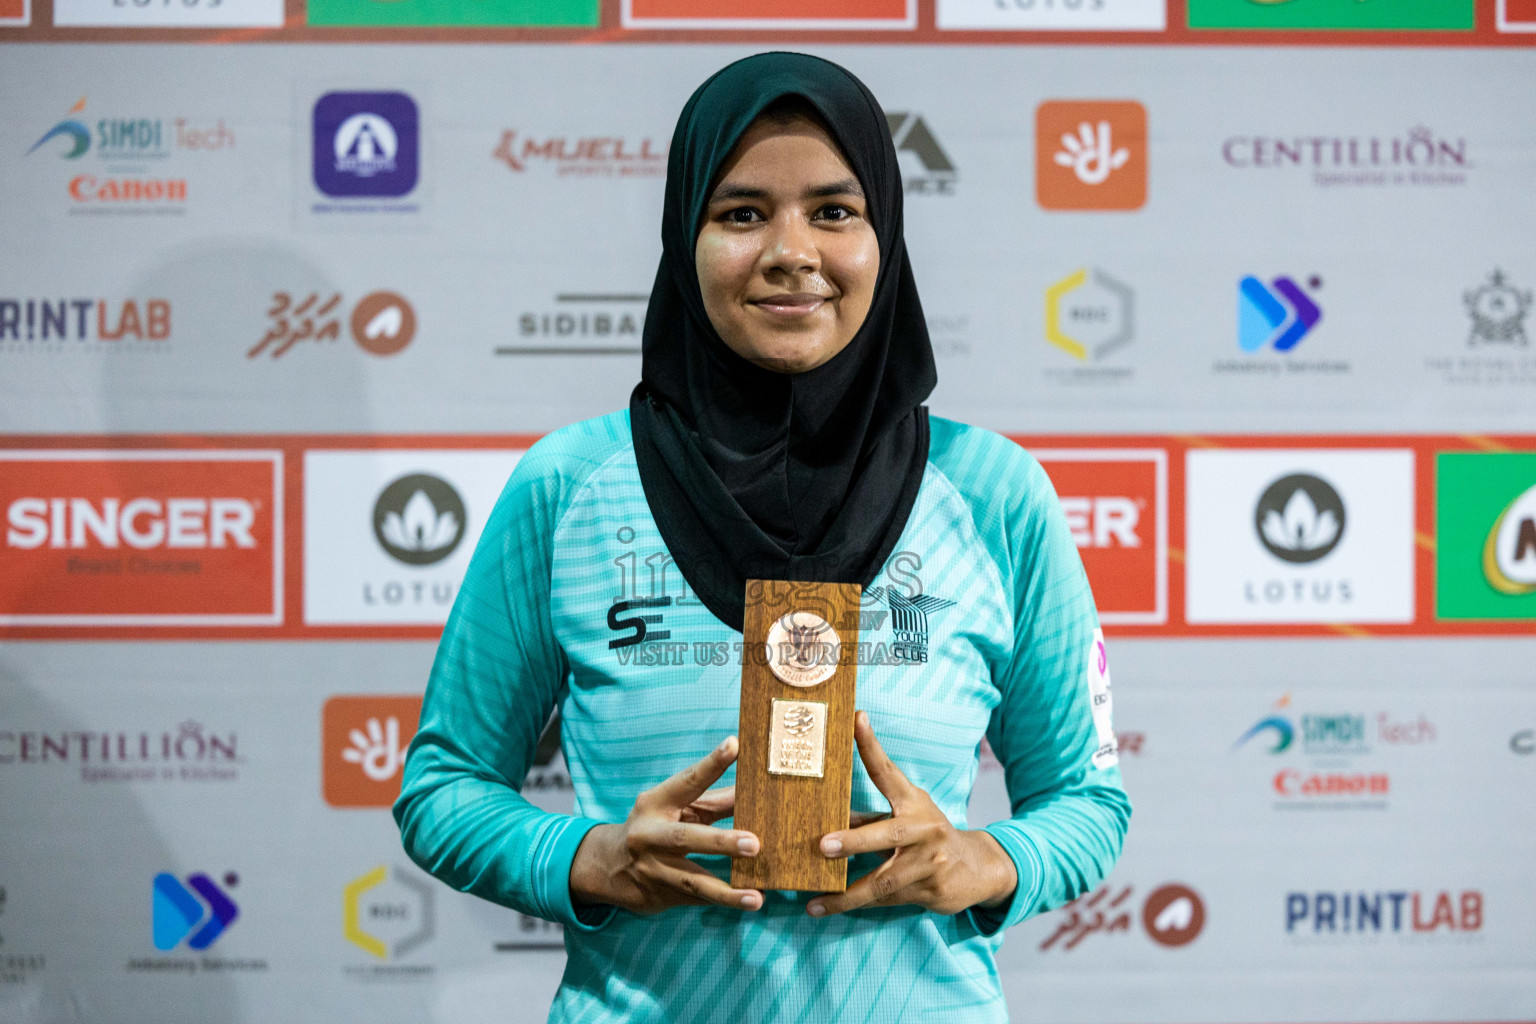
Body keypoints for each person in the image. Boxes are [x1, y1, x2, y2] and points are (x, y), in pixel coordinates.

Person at [395, 51, 1129, 1023]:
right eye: (742, 214)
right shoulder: (568, 487)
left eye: (834, 210)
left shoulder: (993, 492)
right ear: (682, 236)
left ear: (887, 237)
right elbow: (440, 790)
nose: (792, 251)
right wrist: (591, 858)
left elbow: (1088, 802)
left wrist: (982, 860)